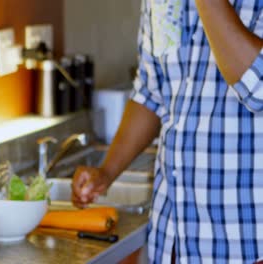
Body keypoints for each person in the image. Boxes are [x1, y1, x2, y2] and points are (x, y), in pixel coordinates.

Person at [72, 0, 263, 263]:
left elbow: (259, 88)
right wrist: (108, 171)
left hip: (246, 243)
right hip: (173, 237)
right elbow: (152, 92)